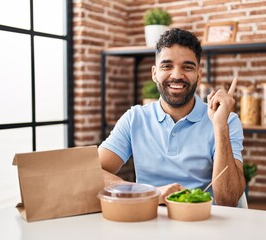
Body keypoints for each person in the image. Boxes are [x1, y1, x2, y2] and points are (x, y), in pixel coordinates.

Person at [98, 28, 245, 207]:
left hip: (204, 223)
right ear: (154, 73)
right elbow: (93, 173)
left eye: (187, 67)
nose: (176, 75)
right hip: (150, 221)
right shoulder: (134, 118)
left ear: (199, 75)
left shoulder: (227, 121)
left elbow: (228, 201)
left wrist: (219, 125)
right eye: (167, 66)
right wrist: (149, 193)